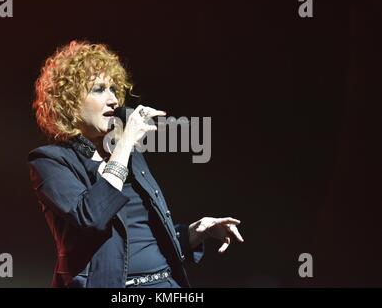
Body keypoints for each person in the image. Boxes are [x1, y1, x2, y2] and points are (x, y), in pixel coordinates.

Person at [27, 40, 244, 288]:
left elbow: (143, 238)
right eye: (99, 90)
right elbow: (92, 216)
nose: (113, 100)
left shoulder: (129, 153)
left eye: (113, 89)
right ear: (69, 102)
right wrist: (126, 141)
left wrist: (197, 231)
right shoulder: (50, 160)